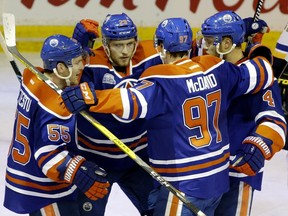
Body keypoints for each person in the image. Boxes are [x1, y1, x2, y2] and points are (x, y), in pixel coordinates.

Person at [61, 17, 275, 216]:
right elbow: (261, 71)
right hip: (217, 180)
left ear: (160, 47)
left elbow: (130, 102)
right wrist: (254, 47)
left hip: (183, 182)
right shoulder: (218, 69)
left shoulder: (162, 79)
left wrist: (93, 97)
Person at [3, 34, 110, 216]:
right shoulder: (58, 107)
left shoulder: (31, 76)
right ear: (60, 68)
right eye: (76, 62)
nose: (81, 67)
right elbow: (48, 156)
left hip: (22, 174)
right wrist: (78, 172)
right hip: (45, 190)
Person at [70, 13, 162, 215]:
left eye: (130, 44)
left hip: (138, 158)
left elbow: (187, 51)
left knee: (158, 211)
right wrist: (74, 47)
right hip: (95, 160)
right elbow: (65, 89)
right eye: (118, 45)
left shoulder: (151, 55)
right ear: (105, 43)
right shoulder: (90, 63)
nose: (125, 51)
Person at [199, 11, 286, 216]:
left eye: (211, 42)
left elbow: (275, 119)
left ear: (227, 44)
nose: (205, 48)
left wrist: (260, 144)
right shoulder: (206, 71)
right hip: (204, 171)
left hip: (236, 170)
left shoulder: (260, 78)